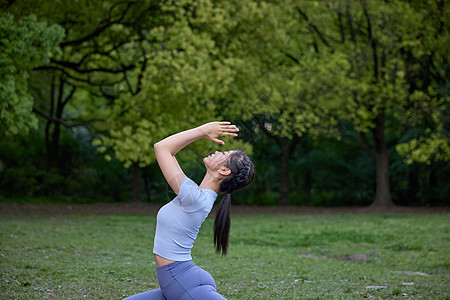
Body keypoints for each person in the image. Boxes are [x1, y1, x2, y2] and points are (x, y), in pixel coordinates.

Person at [124, 121, 255, 300]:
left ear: (224, 170)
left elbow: (162, 148)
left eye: (223, 153)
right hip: (179, 284)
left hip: (184, 284)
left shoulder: (194, 198)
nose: (217, 151)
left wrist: (203, 131)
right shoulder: (196, 195)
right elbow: (169, 151)